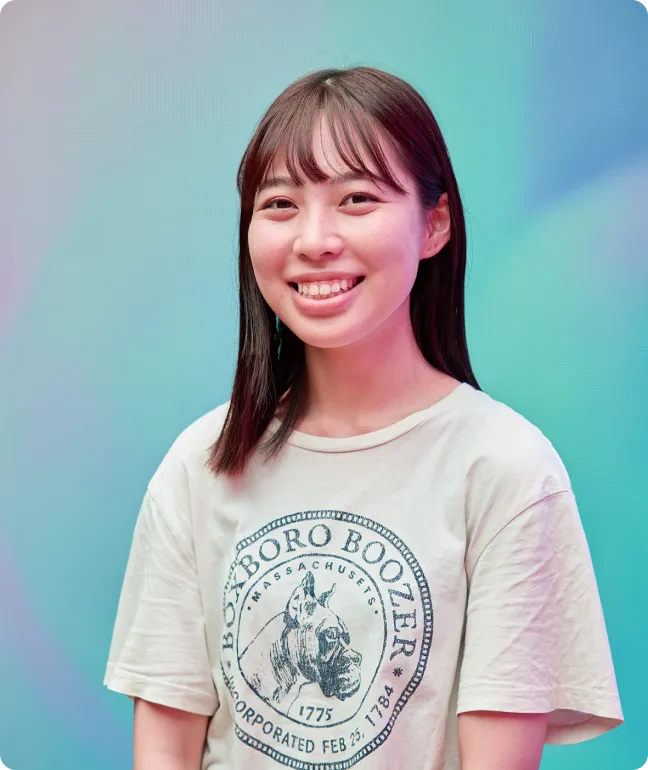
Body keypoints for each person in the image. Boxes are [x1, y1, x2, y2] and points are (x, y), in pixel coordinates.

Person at [104, 66, 623, 770]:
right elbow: (164, 748)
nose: (314, 239)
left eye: (357, 198)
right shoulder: (202, 464)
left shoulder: (505, 468)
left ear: (434, 224)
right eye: (280, 204)